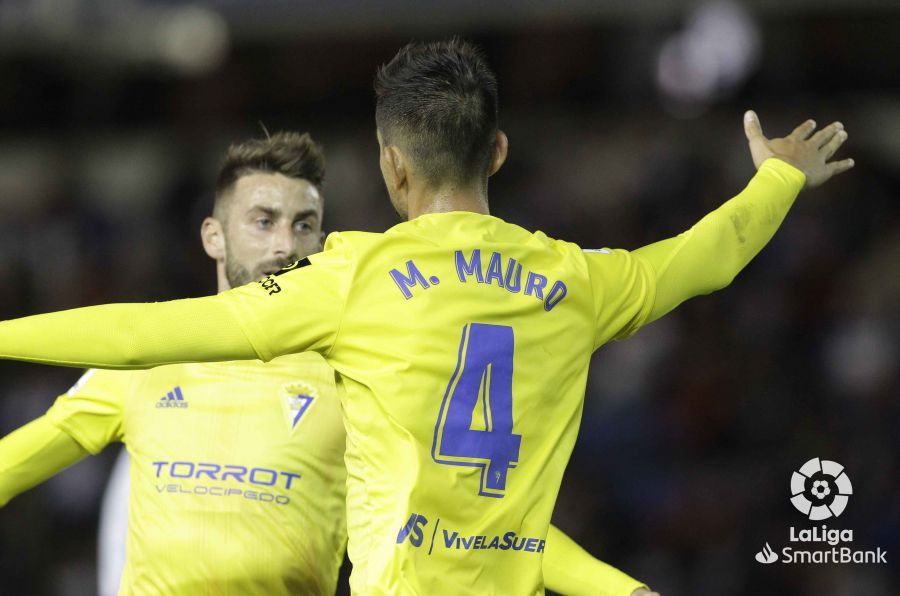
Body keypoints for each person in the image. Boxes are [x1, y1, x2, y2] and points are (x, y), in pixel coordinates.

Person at [0, 39, 852, 594]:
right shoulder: (577, 281)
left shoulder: (355, 276)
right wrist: (776, 179)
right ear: (500, 152)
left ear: (391, 165)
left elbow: (141, 335)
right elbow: (708, 257)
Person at [0, 129, 653, 596]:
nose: (286, 244)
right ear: (212, 235)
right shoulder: (141, 369)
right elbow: (21, 459)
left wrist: (617, 590)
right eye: (263, 220)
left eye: (305, 224)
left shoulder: (357, 376)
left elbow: (474, 531)